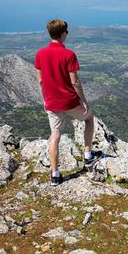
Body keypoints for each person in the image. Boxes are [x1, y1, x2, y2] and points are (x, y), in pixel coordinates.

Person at [35, 19, 102, 186]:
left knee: (55, 136)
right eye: (67, 31)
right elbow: (75, 82)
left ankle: (55, 175)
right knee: (89, 119)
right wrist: (84, 101)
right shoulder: (69, 54)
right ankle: (87, 155)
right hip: (70, 102)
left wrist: (46, 99)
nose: (67, 34)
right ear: (63, 34)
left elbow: (41, 81)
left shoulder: (40, 54)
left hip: (52, 102)